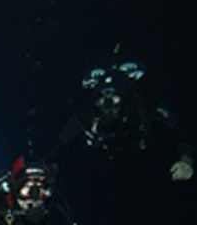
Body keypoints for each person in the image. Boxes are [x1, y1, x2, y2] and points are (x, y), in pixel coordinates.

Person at [53, 60, 195, 182]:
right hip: (101, 178)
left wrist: (186, 160)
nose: (108, 104)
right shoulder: (86, 115)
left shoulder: (144, 108)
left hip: (148, 172)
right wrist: (51, 168)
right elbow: (59, 146)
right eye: (102, 97)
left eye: (115, 97)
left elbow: (181, 132)